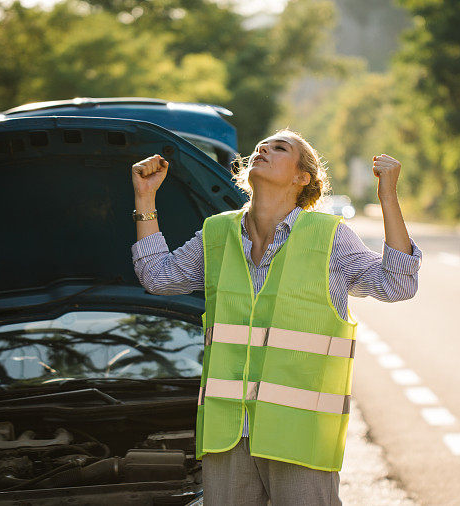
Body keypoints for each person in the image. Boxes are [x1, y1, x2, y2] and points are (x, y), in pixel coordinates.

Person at [130, 128, 422, 505]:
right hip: (227, 434)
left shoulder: (329, 236)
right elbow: (157, 276)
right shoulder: (216, 234)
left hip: (300, 437)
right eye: (260, 147)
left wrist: (387, 197)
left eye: (279, 148)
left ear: (304, 178)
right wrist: (145, 197)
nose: (263, 149)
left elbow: (397, 284)